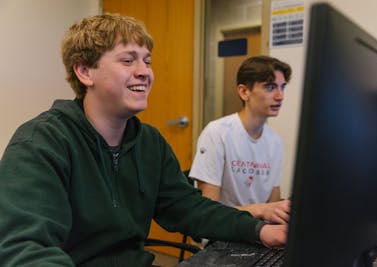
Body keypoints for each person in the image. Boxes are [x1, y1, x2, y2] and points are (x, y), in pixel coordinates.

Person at [0, 14, 287, 267]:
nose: (144, 71)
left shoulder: (149, 142)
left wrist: (260, 231)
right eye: (128, 60)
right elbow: (26, 248)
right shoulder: (41, 142)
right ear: (85, 71)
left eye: (147, 61)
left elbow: (190, 209)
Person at [189, 55, 291, 225]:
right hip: (223, 232)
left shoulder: (275, 142)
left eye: (282, 87)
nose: (280, 96)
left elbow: (272, 205)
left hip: (258, 229)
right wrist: (261, 210)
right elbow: (207, 211)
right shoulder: (217, 133)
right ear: (244, 92)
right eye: (270, 87)